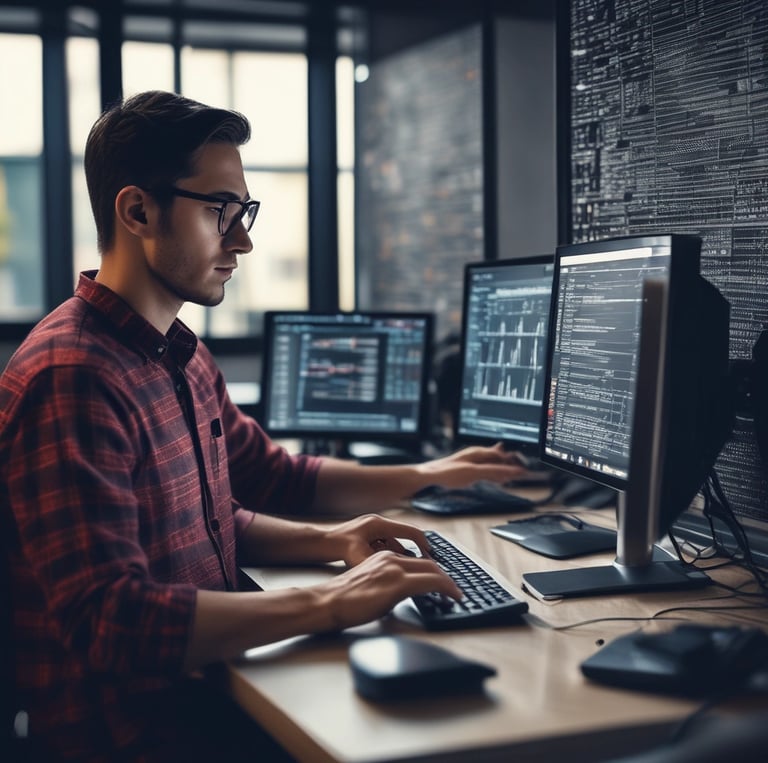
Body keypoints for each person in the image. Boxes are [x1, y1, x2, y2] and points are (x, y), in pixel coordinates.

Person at [0, 90, 526, 762]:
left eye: (243, 211)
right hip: (139, 736)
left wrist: (339, 537)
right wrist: (329, 603)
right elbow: (113, 620)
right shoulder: (73, 377)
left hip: (202, 697)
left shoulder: (181, 355)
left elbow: (237, 500)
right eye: (220, 210)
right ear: (137, 211)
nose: (243, 239)